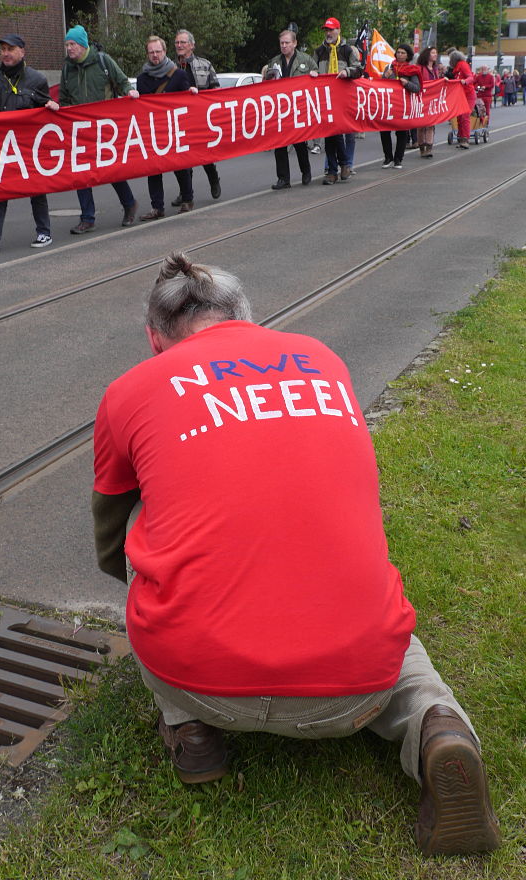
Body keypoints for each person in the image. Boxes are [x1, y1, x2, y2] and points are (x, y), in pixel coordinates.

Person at [91, 251, 502, 857]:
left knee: (136, 521)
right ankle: (435, 725)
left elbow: (108, 532)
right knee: (390, 641)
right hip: (353, 693)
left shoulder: (130, 389)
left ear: (155, 339)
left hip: (203, 678)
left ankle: (188, 725)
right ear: (249, 319)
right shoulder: (323, 360)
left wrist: (137, 576)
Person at [0, 34, 59, 253]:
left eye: (10, 49)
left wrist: (50, 107)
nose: (5, 53)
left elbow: (43, 111)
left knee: (36, 189)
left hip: (28, 146)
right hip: (1, 146)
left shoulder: (37, 79)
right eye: (2, 49)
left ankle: (43, 232)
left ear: (22, 51)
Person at [59, 25, 139, 234]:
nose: (69, 48)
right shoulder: (67, 68)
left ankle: (129, 204)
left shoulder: (103, 61)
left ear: (83, 45)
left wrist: (130, 91)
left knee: (112, 171)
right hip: (80, 130)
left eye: (72, 44)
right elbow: (64, 98)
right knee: (81, 173)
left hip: (105, 128)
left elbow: (122, 82)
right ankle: (87, 218)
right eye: (67, 44)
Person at [136, 36, 196, 220]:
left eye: (158, 51)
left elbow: (186, 101)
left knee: (180, 165)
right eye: (151, 52)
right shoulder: (142, 79)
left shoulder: (178, 74)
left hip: (175, 129)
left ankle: (187, 199)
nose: (155, 55)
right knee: (153, 169)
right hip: (153, 130)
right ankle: (157, 207)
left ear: (164, 52)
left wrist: (192, 93)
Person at [171, 29, 222, 204]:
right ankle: (186, 193)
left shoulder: (205, 65)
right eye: (177, 43)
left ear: (191, 45)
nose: (179, 46)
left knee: (204, 155)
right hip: (179, 120)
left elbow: (216, 89)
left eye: (183, 42)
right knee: (181, 160)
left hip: (201, 118)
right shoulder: (169, 67)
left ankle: (214, 179)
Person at [263, 30, 318, 189]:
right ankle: (283, 178)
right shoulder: (274, 62)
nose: (284, 46)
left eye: (287, 43)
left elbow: (319, 77)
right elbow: (266, 84)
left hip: (298, 108)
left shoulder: (306, 60)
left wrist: (315, 74)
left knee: (300, 143)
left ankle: (306, 172)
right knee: (279, 144)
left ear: (294, 43)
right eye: (282, 43)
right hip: (280, 109)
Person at [312, 17, 362, 184]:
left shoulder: (347, 50)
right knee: (330, 134)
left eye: (331, 30)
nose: (328, 33)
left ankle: (337, 168)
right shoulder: (319, 51)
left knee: (338, 133)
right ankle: (338, 168)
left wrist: (347, 72)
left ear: (338, 31)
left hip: (343, 98)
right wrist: (312, 74)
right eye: (326, 30)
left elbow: (358, 69)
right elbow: (312, 68)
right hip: (325, 98)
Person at [379, 45, 421, 169]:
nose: (400, 55)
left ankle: (398, 159)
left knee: (402, 132)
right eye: (398, 52)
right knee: (384, 131)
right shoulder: (389, 67)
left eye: (403, 53)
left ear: (408, 55)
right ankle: (388, 158)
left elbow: (417, 88)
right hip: (389, 105)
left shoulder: (412, 69)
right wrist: (385, 77)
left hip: (403, 106)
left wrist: (407, 83)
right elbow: (380, 85)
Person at [447, 51, 476, 149]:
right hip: (461, 95)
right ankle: (461, 137)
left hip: (468, 95)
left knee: (465, 116)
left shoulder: (463, 65)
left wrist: (465, 81)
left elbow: (470, 77)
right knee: (459, 117)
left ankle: (465, 138)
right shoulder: (456, 69)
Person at [416, 47, 440, 158]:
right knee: (421, 125)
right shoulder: (420, 68)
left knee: (431, 124)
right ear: (427, 55)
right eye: (433, 53)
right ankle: (422, 147)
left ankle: (429, 148)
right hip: (422, 99)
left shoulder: (435, 68)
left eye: (436, 53)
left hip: (432, 99)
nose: (435, 55)